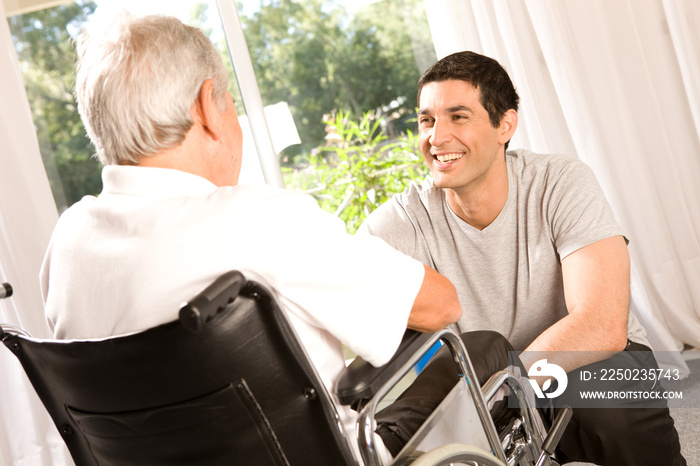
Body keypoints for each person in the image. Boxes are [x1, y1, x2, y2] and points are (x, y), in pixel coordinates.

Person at [39, 14, 516, 463]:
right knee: (480, 347)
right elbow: (442, 306)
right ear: (209, 106)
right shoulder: (254, 219)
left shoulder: (67, 247)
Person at [361, 51, 686, 466]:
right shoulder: (400, 220)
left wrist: (510, 385)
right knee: (474, 357)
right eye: (427, 120)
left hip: (586, 364)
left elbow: (602, 325)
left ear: (505, 124)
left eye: (458, 117)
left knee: (608, 410)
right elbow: (344, 305)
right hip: (485, 382)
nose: (436, 137)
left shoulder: (560, 182)